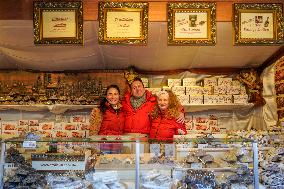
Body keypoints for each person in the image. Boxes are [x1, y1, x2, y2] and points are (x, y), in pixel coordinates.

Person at [89, 84, 124, 153]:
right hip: (104, 147)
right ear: (106, 96)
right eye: (110, 94)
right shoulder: (99, 111)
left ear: (119, 96)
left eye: (115, 94)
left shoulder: (122, 110)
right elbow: (93, 131)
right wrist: (94, 149)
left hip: (118, 147)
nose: (113, 97)